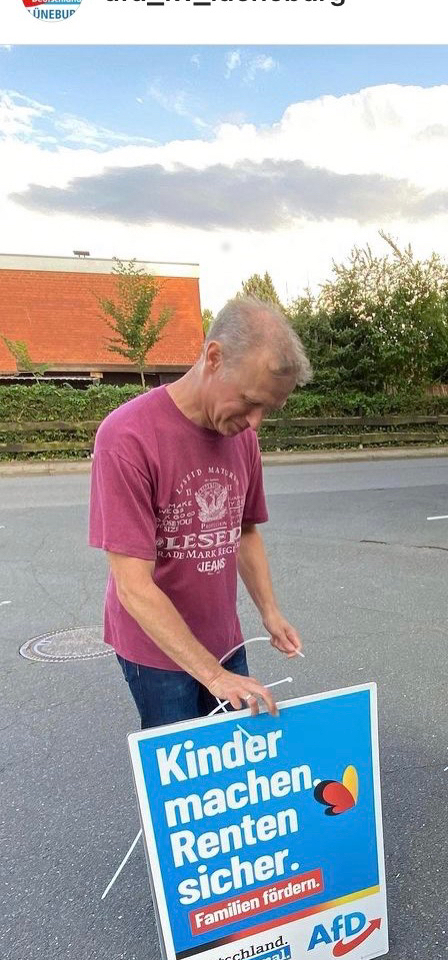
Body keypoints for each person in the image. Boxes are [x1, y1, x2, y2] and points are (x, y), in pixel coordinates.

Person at [89, 295, 312, 729]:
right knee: (184, 779)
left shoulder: (241, 437)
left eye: (267, 409)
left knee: (238, 765)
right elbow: (132, 587)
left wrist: (269, 610)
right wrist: (212, 676)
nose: (254, 422)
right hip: (155, 651)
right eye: (249, 401)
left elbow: (244, 531)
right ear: (214, 357)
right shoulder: (127, 437)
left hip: (224, 641)